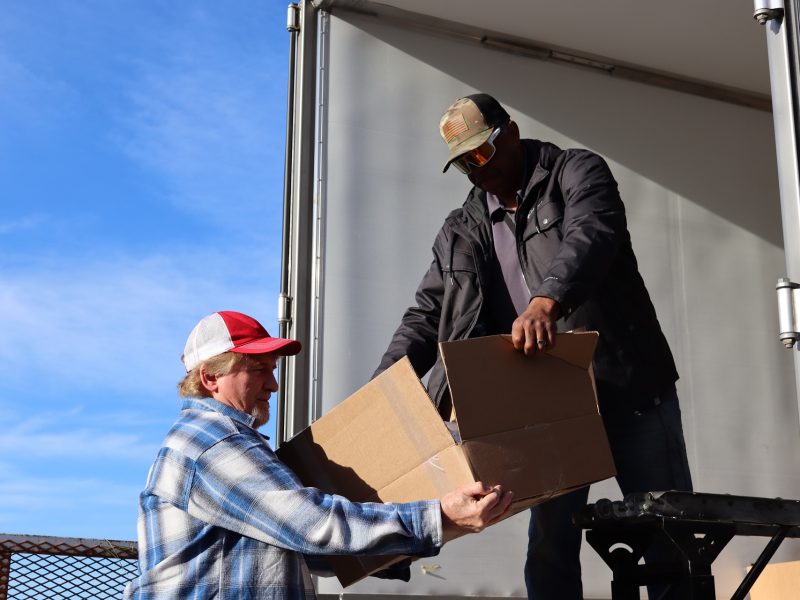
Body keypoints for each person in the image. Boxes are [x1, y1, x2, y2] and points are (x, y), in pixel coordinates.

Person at [373, 94, 693, 600]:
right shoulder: (461, 229)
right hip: (547, 404)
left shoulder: (576, 171)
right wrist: (384, 386)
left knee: (666, 530)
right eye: (464, 163)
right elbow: (426, 315)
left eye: (482, 153)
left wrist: (548, 300)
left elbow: (594, 233)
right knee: (550, 544)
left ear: (512, 132)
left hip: (629, 387)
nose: (477, 170)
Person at [124, 310, 513, 600]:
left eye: (273, 370)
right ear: (210, 378)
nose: (273, 384)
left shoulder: (221, 441)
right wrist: (436, 517)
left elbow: (305, 550)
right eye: (258, 370)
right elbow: (311, 524)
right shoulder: (211, 443)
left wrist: (416, 539)